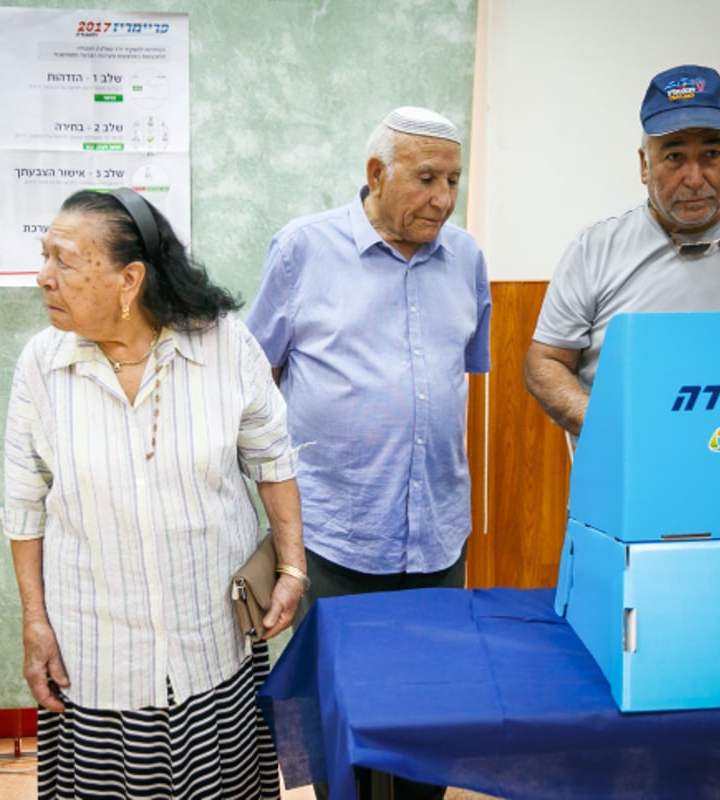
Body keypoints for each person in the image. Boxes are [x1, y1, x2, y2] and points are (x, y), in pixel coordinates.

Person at [3, 188, 307, 799]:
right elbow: (24, 503)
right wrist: (34, 621)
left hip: (211, 640)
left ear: (129, 280)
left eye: (63, 260)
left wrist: (293, 567)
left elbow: (273, 460)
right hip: (96, 652)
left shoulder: (222, 345)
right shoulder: (42, 365)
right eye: (45, 257)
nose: (43, 277)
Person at [245, 107, 491, 800]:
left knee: (427, 721)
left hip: (438, 539)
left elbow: (457, 378)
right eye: (425, 178)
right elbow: (250, 379)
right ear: (376, 173)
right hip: (334, 538)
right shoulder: (302, 249)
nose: (443, 198)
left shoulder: (467, 257)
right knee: (340, 731)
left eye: (453, 179)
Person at [525, 65, 720, 436]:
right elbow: (545, 362)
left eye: (711, 153)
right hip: (624, 478)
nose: (694, 178)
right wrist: (613, 429)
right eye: (674, 157)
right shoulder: (594, 248)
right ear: (645, 164)